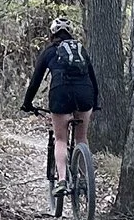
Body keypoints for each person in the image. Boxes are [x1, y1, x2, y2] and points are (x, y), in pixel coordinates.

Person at [20, 19, 98, 190]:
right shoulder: (80, 50)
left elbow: (35, 81)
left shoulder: (49, 51)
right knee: (81, 138)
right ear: (70, 33)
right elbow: (93, 79)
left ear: (52, 33)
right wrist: (96, 103)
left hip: (60, 94)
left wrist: (27, 103)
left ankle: (62, 180)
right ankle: (86, 180)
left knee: (61, 139)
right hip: (85, 94)